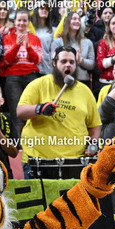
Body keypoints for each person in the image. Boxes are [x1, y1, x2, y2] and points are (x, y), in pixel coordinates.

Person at [17, 46, 101, 179]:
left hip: (75, 161)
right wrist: (40, 109)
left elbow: (95, 124)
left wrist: (93, 144)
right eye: (63, 61)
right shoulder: (38, 84)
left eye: (72, 62)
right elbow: (20, 112)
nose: (68, 65)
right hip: (38, 159)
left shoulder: (85, 91)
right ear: (54, 63)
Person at [2, 9, 42, 126]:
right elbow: (6, 60)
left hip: (31, 76)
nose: (21, 23)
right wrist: (17, 45)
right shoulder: (7, 38)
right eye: (19, 20)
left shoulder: (35, 39)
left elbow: (38, 60)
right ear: (14, 21)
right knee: (16, 115)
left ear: (28, 22)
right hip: (13, 78)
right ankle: (18, 138)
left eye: (24, 21)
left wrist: (28, 46)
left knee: (32, 112)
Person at [51, 11, 95, 88]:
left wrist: (81, 61)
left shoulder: (88, 42)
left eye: (79, 20)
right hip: (62, 80)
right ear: (67, 22)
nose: (77, 21)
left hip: (82, 80)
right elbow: (53, 62)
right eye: (74, 19)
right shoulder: (58, 42)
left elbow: (92, 64)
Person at [30, 1, 53, 76]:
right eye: (42, 8)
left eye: (47, 9)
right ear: (36, 11)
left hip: (47, 68)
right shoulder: (29, 29)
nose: (44, 10)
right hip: (32, 69)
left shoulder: (52, 31)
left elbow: (52, 51)